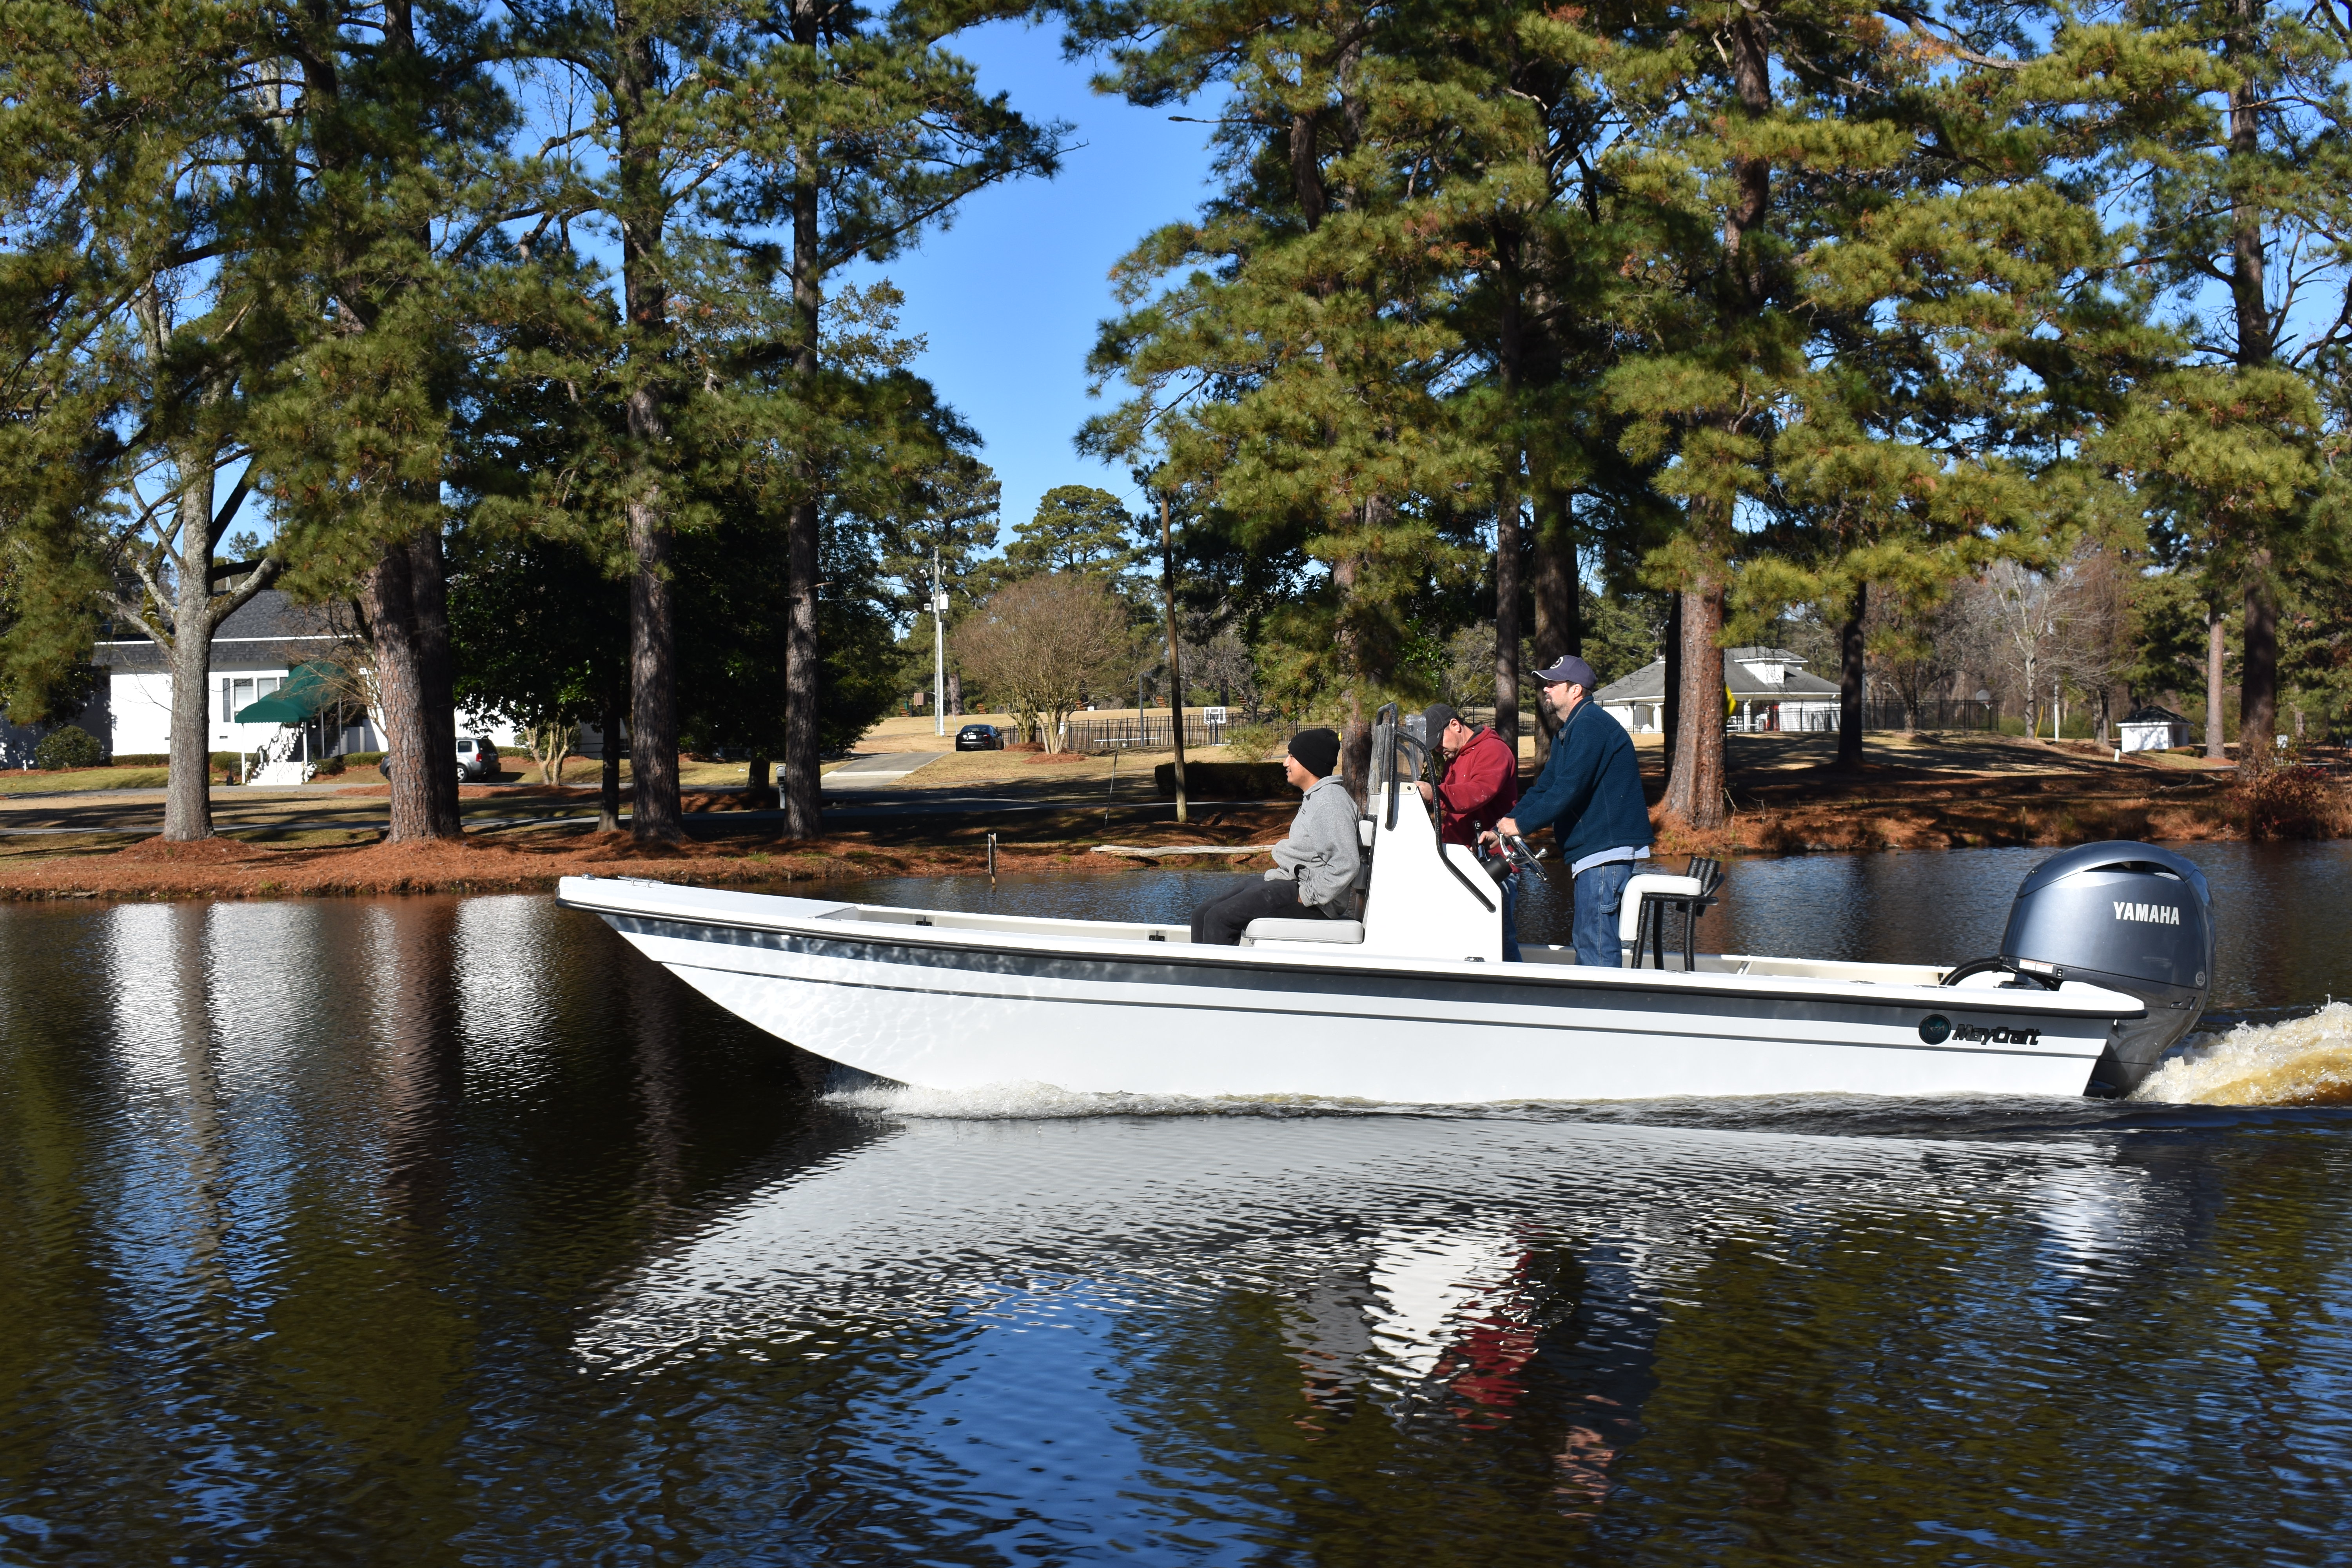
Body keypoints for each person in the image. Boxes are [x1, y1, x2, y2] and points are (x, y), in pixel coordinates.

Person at [1492, 655, 1652, 966]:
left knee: (1595, 941)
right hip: (1591, 854)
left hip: (1605, 851)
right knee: (1586, 938)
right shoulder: (1572, 730)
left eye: (1553, 684)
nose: (1546, 690)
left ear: (1576, 690)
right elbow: (1544, 788)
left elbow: (1569, 789)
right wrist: (1503, 825)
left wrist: (1521, 825)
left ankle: (1604, 1008)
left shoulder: (1591, 726)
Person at [1191, 727, 1360, 944]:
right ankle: (1201, 973)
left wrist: (1308, 895)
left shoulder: (1330, 804)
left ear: (1310, 763)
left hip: (1314, 902)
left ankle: (1220, 978)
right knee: (1202, 913)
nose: (1285, 763)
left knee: (1220, 919)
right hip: (1289, 882)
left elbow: (1346, 863)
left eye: (1292, 756)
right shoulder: (1317, 797)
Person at [1415, 703, 1523, 960]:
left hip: (1497, 865)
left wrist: (1435, 794)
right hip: (1464, 865)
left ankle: (1514, 992)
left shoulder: (1494, 751)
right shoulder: (1454, 758)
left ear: (1455, 725)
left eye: (1439, 743)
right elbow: (1453, 808)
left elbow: (1477, 793)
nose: (1439, 750)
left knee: (1499, 939)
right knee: (1467, 938)